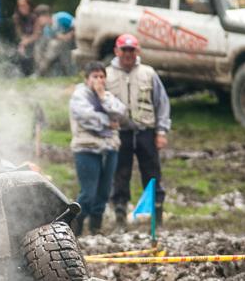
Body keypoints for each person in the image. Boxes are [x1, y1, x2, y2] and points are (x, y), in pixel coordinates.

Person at [106, 34, 171, 227]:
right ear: (116, 51)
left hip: (146, 131)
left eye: (131, 50)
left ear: (137, 51)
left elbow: (162, 103)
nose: (128, 54)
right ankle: (119, 213)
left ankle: (157, 212)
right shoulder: (107, 74)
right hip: (120, 133)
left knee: (152, 172)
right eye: (124, 50)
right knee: (120, 173)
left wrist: (161, 131)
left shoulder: (148, 73)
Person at [69, 61, 127, 236]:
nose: (99, 80)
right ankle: (75, 225)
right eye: (95, 76)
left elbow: (121, 113)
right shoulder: (79, 96)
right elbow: (87, 118)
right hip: (87, 148)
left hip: (110, 148)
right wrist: (108, 122)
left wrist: (103, 98)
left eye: (102, 77)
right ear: (87, 79)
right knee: (88, 192)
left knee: (103, 192)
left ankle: (96, 228)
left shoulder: (107, 96)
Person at [36, 11, 76, 77]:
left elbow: (76, 25)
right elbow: (56, 38)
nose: (39, 21)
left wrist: (70, 35)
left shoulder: (62, 17)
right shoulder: (47, 29)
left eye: (40, 18)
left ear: (46, 16)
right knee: (53, 46)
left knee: (54, 47)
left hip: (75, 40)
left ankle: (41, 71)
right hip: (62, 47)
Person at [12, 0, 39, 76]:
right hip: (24, 43)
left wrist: (26, 41)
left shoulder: (35, 17)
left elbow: (37, 34)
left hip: (37, 41)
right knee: (18, 51)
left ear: (29, 5)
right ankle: (22, 74)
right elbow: (19, 34)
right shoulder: (16, 17)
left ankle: (35, 72)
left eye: (24, 5)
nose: (21, 8)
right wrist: (23, 42)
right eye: (20, 6)